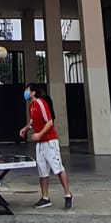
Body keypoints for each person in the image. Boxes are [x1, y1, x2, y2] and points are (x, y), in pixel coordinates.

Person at [18, 82, 72, 210]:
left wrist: (40, 134)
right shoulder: (32, 106)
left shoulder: (41, 103)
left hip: (49, 141)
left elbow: (49, 122)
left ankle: (68, 194)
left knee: (57, 167)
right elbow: (33, 121)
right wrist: (25, 129)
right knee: (42, 170)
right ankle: (45, 197)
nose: (26, 92)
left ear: (33, 92)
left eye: (28, 90)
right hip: (40, 144)